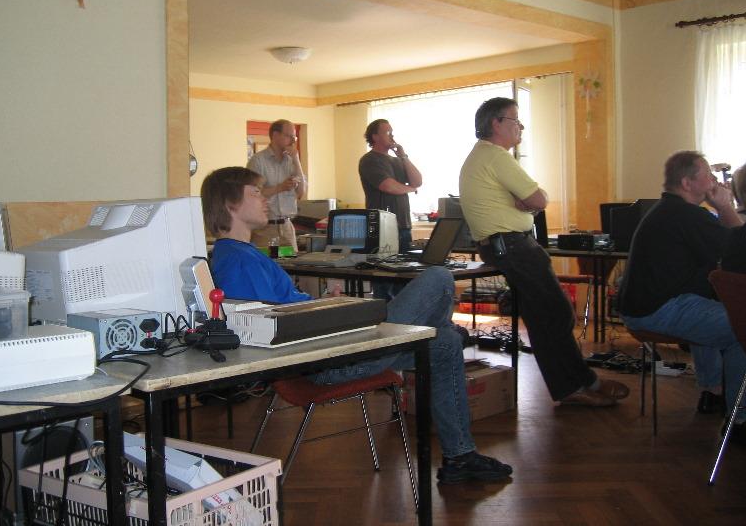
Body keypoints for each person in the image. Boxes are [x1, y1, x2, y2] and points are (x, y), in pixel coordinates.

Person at [201, 166, 513, 484]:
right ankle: (448, 328)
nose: (265, 198)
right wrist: (329, 312)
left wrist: (326, 304)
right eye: (256, 192)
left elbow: (283, 312)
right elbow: (270, 327)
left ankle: (460, 458)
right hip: (329, 360)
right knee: (439, 277)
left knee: (444, 344)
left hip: (332, 345)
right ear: (230, 204)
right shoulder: (239, 262)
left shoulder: (240, 254)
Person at [459, 97, 629, 408]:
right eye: (515, 120)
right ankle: (581, 384)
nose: (520, 127)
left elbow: (532, 200)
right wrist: (532, 201)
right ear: (496, 123)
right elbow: (538, 200)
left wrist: (530, 201)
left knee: (543, 318)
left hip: (503, 246)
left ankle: (573, 387)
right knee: (557, 313)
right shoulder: (496, 156)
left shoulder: (481, 156)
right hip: (513, 246)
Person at [618, 150, 746, 428]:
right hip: (657, 310)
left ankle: (713, 391)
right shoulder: (686, 214)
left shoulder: (670, 209)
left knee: (710, 305)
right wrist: (725, 206)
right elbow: (740, 248)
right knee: (742, 326)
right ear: (687, 183)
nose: (714, 181)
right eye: (708, 176)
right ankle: (740, 419)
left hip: (643, 307)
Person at [358, 119, 422, 253]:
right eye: (388, 132)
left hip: (403, 225)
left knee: (406, 264)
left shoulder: (398, 160)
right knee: (384, 265)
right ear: (375, 137)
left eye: (392, 132)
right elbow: (388, 186)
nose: (392, 136)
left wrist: (403, 156)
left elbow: (417, 181)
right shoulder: (369, 160)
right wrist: (411, 189)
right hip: (382, 227)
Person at [246, 119, 307, 251]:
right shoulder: (258, 161)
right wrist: (280, 188)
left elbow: (301, 192)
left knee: (291, 263)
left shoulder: (291, 161)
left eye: (294, 137)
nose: (293, 141)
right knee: (267, 262)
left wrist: (296, 159)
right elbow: (251, 195)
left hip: (286, 228)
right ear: (275, 135)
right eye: (289, 136)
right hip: (265, 229)